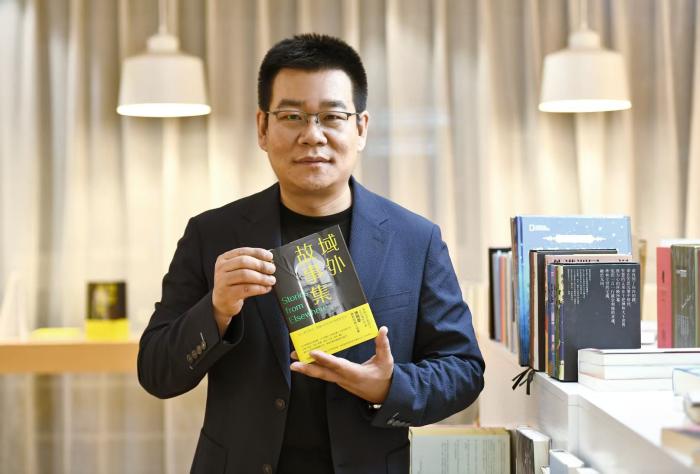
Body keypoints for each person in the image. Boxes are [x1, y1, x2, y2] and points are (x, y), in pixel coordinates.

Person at [137, 33, 485, 474]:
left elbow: (463, 370)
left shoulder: (415, 239)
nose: (312, 135)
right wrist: (217, 310)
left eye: (332, 116)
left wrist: (389, 386)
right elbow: (156, 372)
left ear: (361, 128)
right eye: (292, 116)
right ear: (263, 128)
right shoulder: (213, 234)